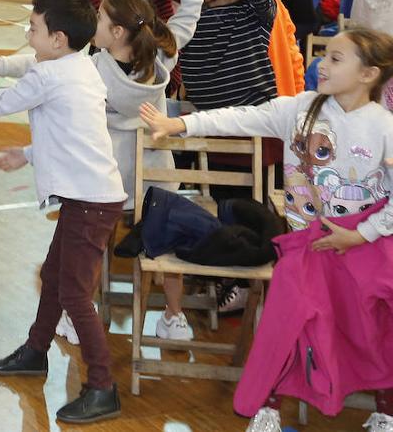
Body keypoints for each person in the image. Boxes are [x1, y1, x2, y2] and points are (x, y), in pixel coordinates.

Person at [139, 28, 393, 432]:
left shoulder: (384, 126)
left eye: (336, 59)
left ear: (369, 75)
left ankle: (385, 409)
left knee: (373, 326)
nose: (321, 65)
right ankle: (268, 405)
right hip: (308, 243)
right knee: (285, 315)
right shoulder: (301, 109)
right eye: (324, 56)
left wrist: (362, 234)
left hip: (365, 243)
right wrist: (180, 125)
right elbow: (240, 116)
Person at [0, 0, 127, 424]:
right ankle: (36, 351)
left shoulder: (52, 75)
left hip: (90, 202)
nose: (27, 34)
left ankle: (103, 386)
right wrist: (29, 154)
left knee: (73, 292)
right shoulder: (77, 67)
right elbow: (71, 134)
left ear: (57, 38)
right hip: (90, 198)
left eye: (32, 28)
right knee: (54, 277)